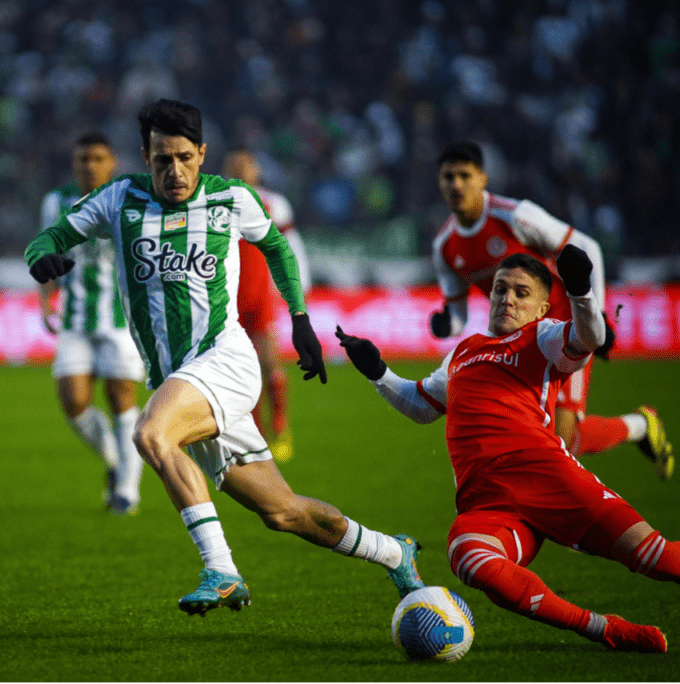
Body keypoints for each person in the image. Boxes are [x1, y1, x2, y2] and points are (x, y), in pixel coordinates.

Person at [25, 99, 425, 615]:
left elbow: (278, 249)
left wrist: (300, 320)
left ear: (202, 153)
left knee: (151, 434)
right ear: (145, 156)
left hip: (225, 360)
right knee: (282, 512)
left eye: (186, 158)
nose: (175, 171)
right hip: (178, 378)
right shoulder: (118, 198)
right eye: (163, 159)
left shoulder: (231, 199)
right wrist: (42, 258)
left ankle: (222, 569)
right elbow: (50, 236)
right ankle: (395, 552)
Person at [337, 247, 676, 652]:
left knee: (659, 561)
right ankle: (603, 628)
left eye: (520, 292)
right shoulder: (464, 352)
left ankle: (640, 427)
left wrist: (582, 292)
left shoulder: (544, 336)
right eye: (500, 289)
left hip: (552, 481)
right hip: (489, 503)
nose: (507, 299)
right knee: (466, 554)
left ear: (541, 308)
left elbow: (589, 337)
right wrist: (379, 373)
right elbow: (422, 407)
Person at [429, 141, 673, 480]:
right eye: (448, 177)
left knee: (560, 439)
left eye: (464, 176)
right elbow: (457, 315)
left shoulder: (515, 215)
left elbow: (587, 246)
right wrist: (446, 324)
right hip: (518, 345)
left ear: (482, 179)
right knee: (551, 439)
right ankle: (640, 426)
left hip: (563, 330)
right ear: (439, 182)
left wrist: (595, 315)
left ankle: (638, 428)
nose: (456, 184)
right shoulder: (444, 246)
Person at [36, 132, 146, 516]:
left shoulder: (129, 197)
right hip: (75, 318)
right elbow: (47, 249)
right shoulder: (57, 201)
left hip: (121, 319)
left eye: (98, 158)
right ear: (74, 163)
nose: (90, 165)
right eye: (83, 158)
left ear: (112, 162)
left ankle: (127, 491)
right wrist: (44, 297)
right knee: (74, 403)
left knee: (121, 399)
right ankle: (114, 456)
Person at [221, 147, 310, 462]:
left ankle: (280, 424)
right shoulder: (217, 202)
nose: (242, 169)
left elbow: (291, 247)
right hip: (227, 300)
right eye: (235, 164)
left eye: (247, 164)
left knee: (270, 362)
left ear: (257, 170)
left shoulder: (274, 203)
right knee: (242, 371)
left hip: (259, 297)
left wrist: (300, 288)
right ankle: (256, 433)